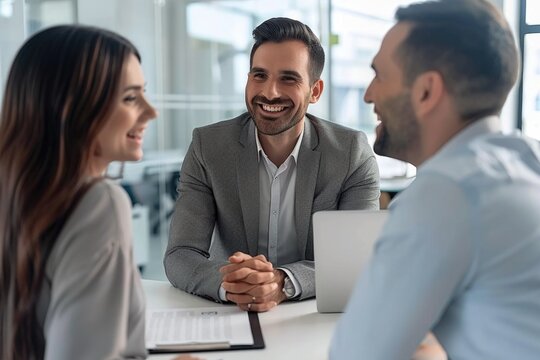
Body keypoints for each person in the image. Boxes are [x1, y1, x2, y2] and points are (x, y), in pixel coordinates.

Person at [330, 0, 540, 359]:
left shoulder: (447, 191)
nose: (368, 94)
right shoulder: (527, 158)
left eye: (379, 75)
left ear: (426, 92)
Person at [0, 25, 199, 360]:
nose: (151, 112)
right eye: (130, 98)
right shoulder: (98, 203)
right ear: (72, 107)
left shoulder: (15, 193)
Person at [165, 17, 380, 312]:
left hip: (310, 317)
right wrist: (233, 284)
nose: (269, 92)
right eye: (260, 75)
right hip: (232, 313)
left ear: (315, 92)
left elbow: (358, 261)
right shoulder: (208, 147)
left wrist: (283, 282)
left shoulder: (350, 153)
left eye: (288, 79)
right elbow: (181, 254)